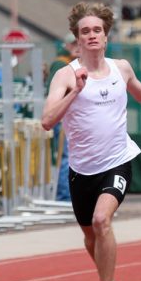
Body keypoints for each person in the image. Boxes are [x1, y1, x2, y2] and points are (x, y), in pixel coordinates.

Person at [41, 2, 141, 281]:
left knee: (102, 220)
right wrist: (76, 92)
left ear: (106, 34)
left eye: (97, 30)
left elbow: (140, 93)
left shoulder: (121, 68)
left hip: (117, 161)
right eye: (85, 31)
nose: (91, 36)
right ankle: (108, 279)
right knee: (90, 237)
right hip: (81, 169)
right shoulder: (66, 75)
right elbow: (46, 121)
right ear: (77, 37)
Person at [46, 33, 78, 202]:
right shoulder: (61, 63)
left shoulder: (73, 64)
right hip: (61, 119)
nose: (77, 46)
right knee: (65, 158)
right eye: (73, 43)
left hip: (70, 119)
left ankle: (68, 195)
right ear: (66, 45)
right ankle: (64, 197)